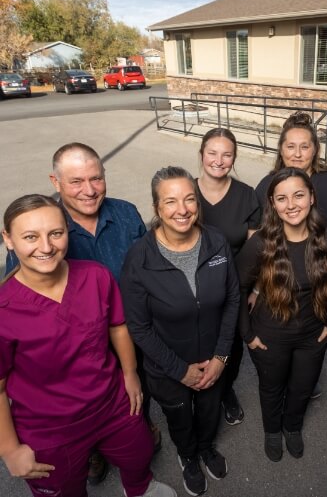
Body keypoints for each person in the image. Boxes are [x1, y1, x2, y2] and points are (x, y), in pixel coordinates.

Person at [0, 194, 176, 497]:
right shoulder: (4, 309)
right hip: (50, 429)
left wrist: (130, 373)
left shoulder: (96, 275)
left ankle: (139, 489)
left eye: (55, 233)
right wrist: (9, 449)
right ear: (9, 240)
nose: (46, 247)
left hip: (111, 405)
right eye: (31, 236)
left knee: (140, 453)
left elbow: (117, 325)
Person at [120, 166, 240, 497]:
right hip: (166, 369)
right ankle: (188, 454)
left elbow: (232, 300)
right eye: (170, 201)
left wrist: (220, 357)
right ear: (157, 207)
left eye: (189, 199)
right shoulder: (139, 259)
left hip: (214, 358)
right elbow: (139, 327)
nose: (182, 209)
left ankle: (205, 448)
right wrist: (179, 370)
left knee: (208, 412)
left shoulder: (216, 242)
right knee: (179, 419)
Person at [236, 167, 327, 462]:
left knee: (302, 388)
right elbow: (237, 289)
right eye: (282, 198)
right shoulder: (260, 243)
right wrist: (248, 334)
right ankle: (272, 431)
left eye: (299, 195)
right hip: (270, 336)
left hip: (313, 334)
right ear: (272, 204)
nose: (291, 204)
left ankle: (292, 426)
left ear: (312, 197)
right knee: (272, 389)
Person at [196, 128, 261, 426]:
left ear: (234, 159)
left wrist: (255, 289)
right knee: (196, 344)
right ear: (201, 154)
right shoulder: (186, 191)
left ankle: (224, 391)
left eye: (227, 154)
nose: (219, 161)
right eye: (212, 152)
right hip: (193, 289)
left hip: (234, 289)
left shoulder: (247, 196)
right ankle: (200, 393)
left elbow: (256, 250)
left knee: (231, 348)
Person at [255, 111, 327, 247]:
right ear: (281, 149)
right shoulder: (267, 185)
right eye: (291, 147)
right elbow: (259, 234)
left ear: (315, 149)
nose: (297, 154)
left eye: (304, 147)